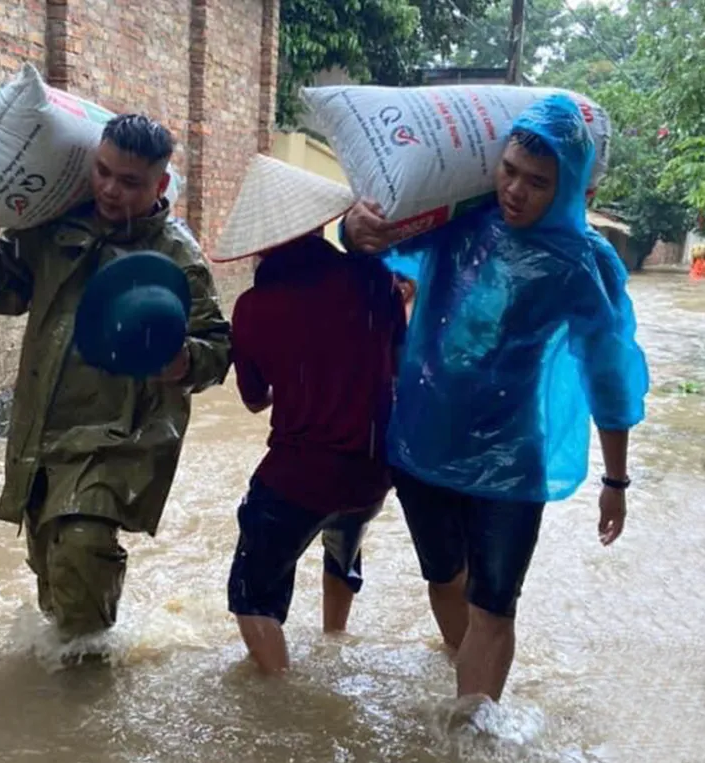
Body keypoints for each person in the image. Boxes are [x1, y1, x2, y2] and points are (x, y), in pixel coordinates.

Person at [341, 95, 650, 702]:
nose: (515, 190)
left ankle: (472, 723)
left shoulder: (585, 265)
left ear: (573, 191)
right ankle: (462, 672)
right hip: (422, 444)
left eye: (538, 183)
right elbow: (374, 244)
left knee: (496, 603)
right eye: (508, 170)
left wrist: (616, 482)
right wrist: (352, 227)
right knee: (444, 576)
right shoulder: (455, 221)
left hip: (510, 464)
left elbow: (608, 375)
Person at [0, 114, 231, 643]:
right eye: (102, 171)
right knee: (53, 578)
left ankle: (86, 696)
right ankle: (69, 685)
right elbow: (1, 285)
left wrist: (183, 361)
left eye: (129, 182)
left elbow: (217, 347)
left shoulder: (177, 256)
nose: (109, 188)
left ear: (160, 186)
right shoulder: (59, 225)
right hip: (43, 430)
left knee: (82, 551)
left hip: (120, 438)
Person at [216, 155, 407, 674]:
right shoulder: (375, 282)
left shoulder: (253, 309)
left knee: (250, 598)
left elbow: (255, 400)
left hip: (296, 481)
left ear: (260, 243)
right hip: (372, 476)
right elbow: (397, 362)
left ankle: (283, 698)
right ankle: (334, 643)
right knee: (342, 548)